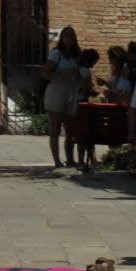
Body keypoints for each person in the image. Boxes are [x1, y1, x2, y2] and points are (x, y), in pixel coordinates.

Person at [41, 26, 88, 169]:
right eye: (67, 36)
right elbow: (45, 73)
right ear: (62, 38)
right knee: (55, 128)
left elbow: (82, 74)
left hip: (71, 93)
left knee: (71, 130)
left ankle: (70, 159)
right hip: (56, 92)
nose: (70, 39)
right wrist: (62, 75)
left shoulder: (77, 56)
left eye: (72, 36)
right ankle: (57, 161)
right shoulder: (56, 54)